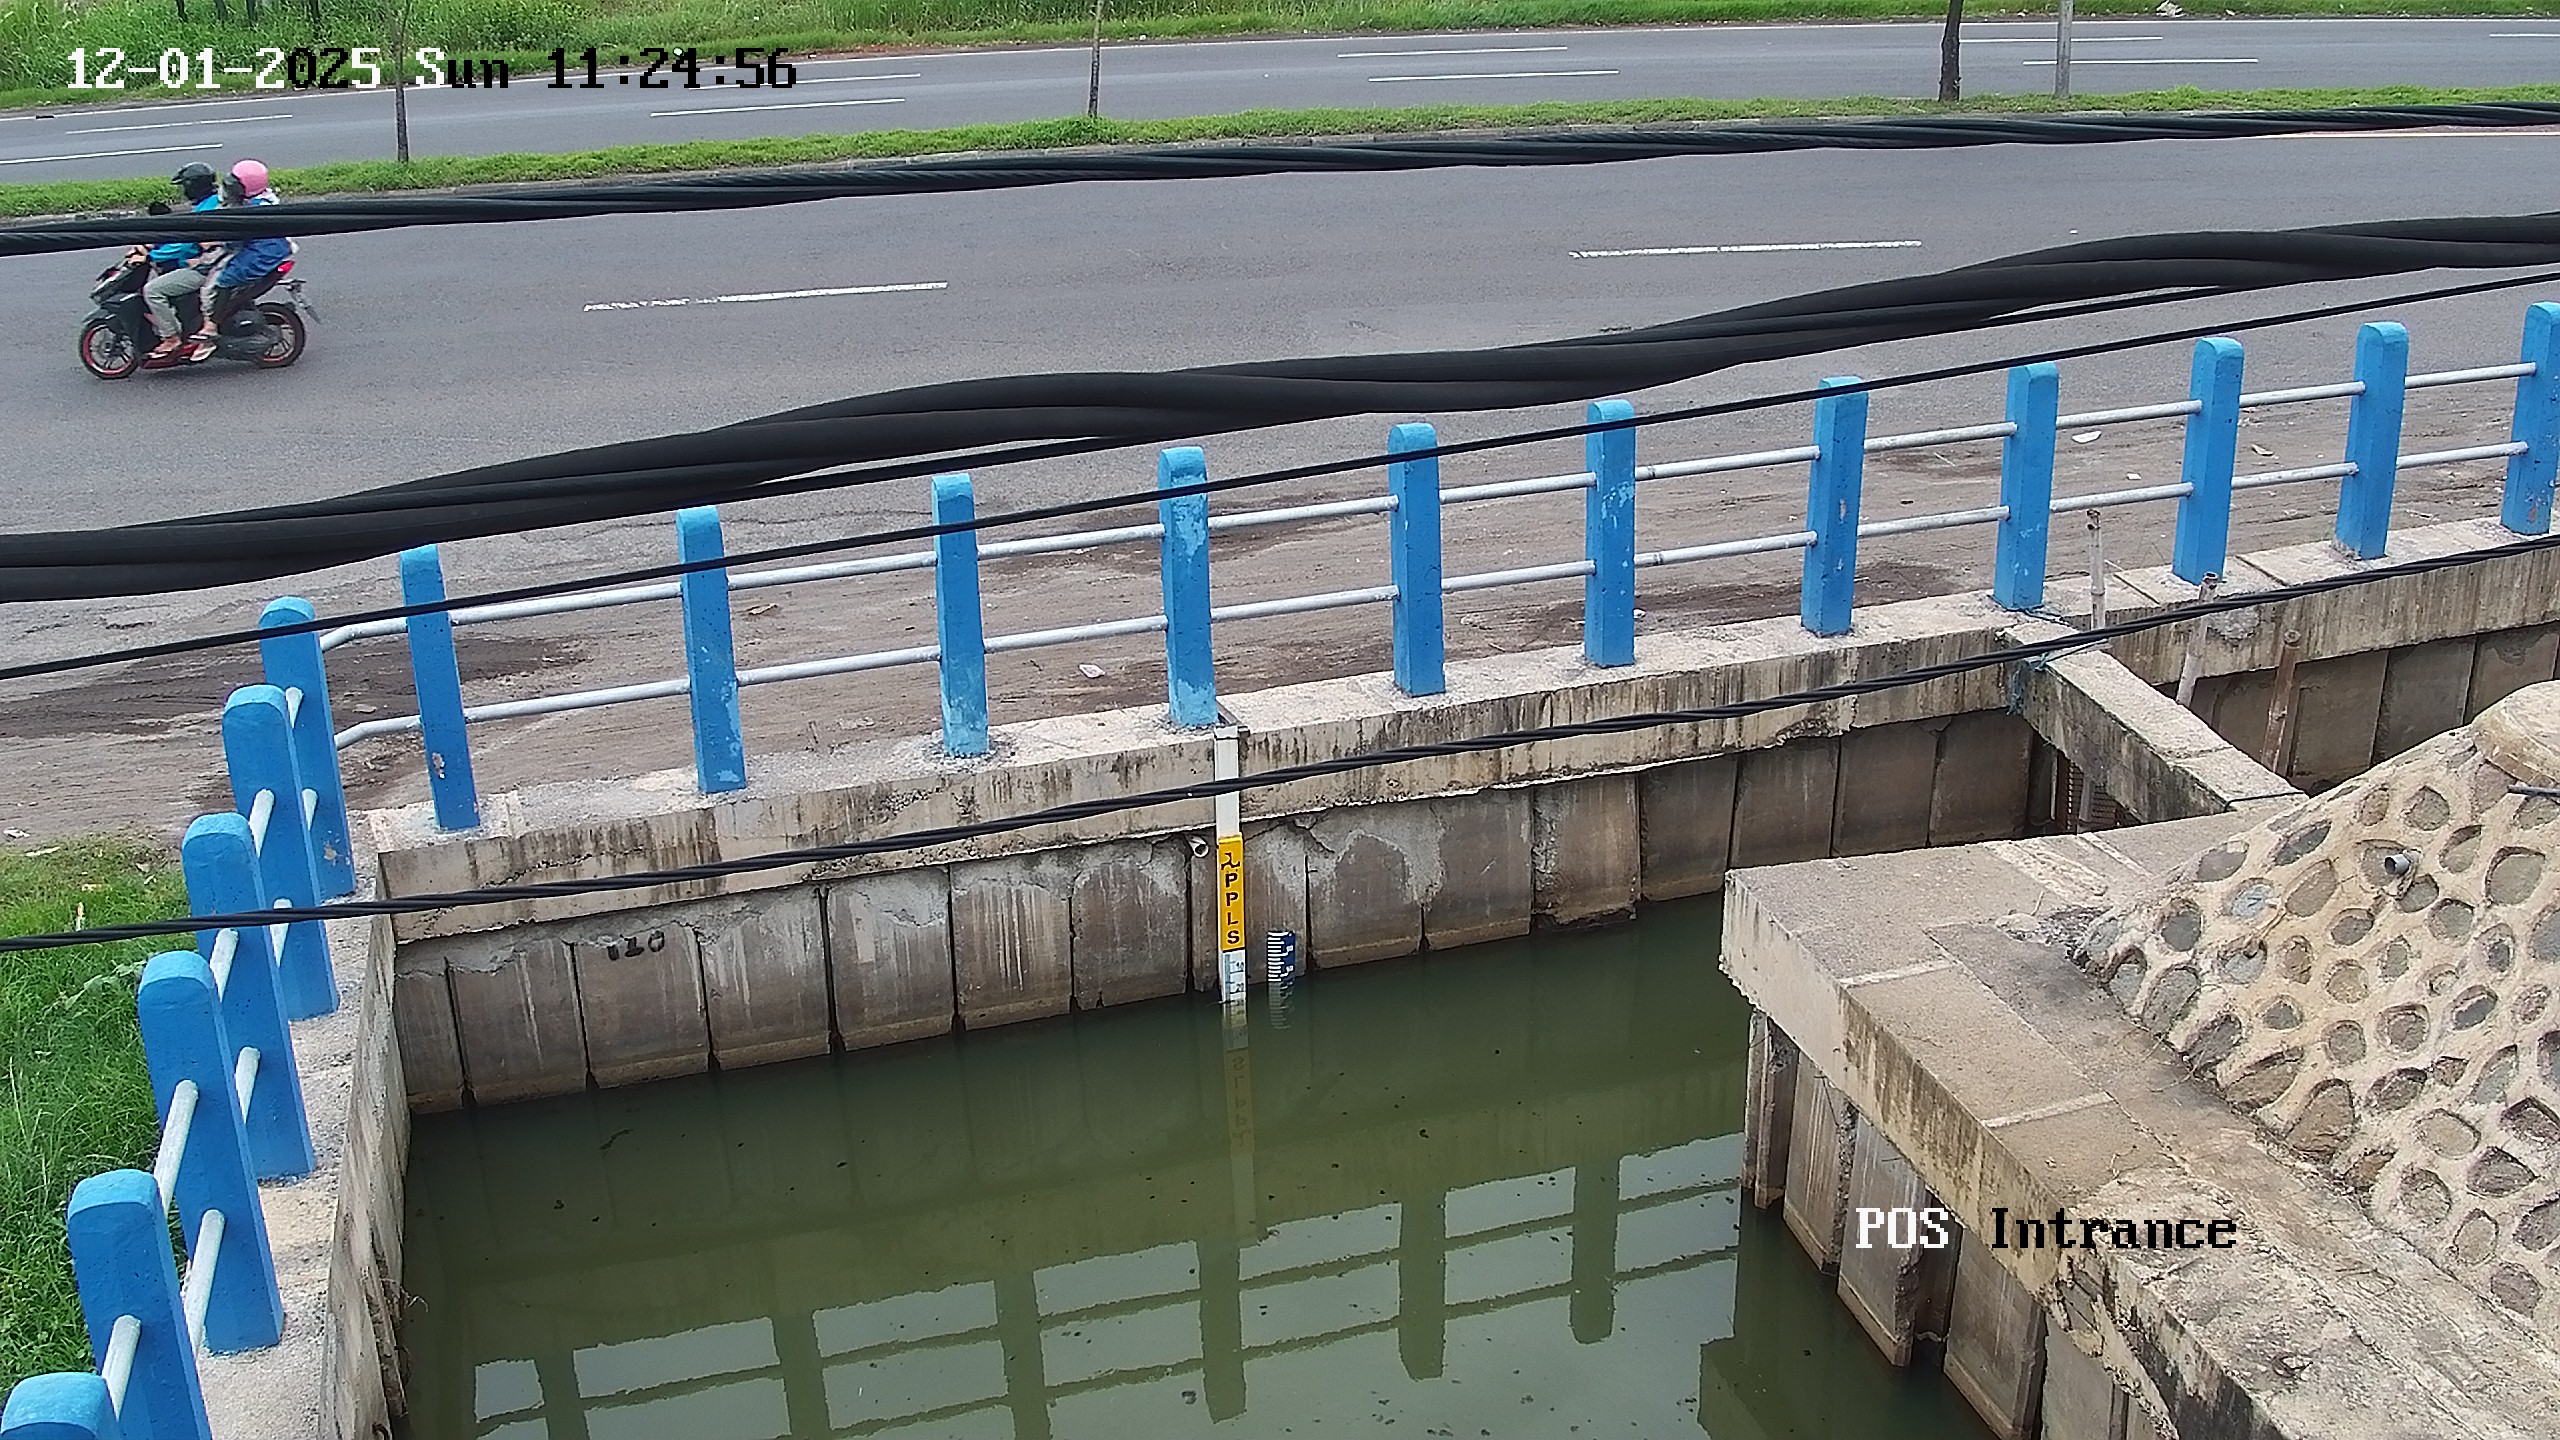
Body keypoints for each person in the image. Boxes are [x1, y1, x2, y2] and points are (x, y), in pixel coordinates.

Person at [185, 159, 293, 362]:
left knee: (222, 280)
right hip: (269, 247)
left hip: (262, 253)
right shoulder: (262, 199)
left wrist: (214, 241)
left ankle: (211, 326)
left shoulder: (252, 209)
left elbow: (235, 237)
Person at [134, 163, 223, 362]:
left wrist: (151, 256)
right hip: (208, 263)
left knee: (153, 290)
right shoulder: (209, 203)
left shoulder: (206, 210)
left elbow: (184, 245)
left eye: (185, 186)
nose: (183, 191)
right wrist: (153, 244)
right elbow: (181, 235)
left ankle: (171, 338)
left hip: (206, 267)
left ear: (193, 186)